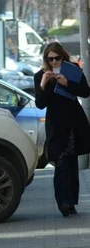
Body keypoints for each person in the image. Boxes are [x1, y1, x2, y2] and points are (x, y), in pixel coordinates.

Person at [34, 42, 90, 217]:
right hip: (56, 125)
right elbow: (40, 104)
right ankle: (63, 203)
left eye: (57, 58)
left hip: (73, 123)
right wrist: (43, 84)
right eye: (50, 59)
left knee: (71, 164)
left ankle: (71, 202)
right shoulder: (40, 75)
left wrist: (66, 83)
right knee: (61, 163)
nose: (54, 62)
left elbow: (85, 92)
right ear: (46, 59)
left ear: (63, 56)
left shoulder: (72, 70)